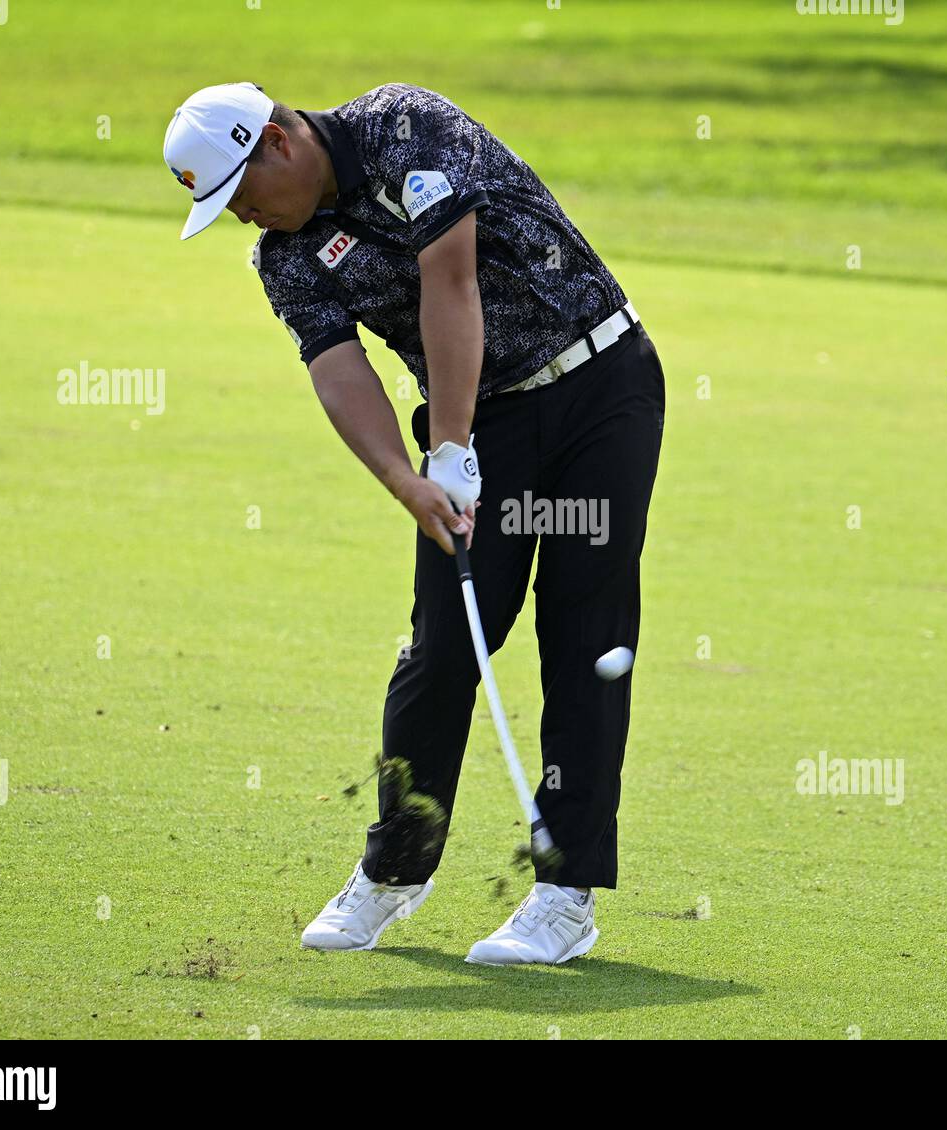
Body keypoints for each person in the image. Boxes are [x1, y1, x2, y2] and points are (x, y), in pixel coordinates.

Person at [162, 81, 665, 965]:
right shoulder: (285, 257)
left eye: (240, 194)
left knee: (585, 635)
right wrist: (408, 477)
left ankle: (564, 895)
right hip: (483, 421)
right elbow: (337, 368)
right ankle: (396, 871)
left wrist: (450, 440)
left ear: (277, 141)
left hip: (598, 387)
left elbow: (452, 279)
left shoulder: (406, 126)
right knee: (443, 646)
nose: (243, 217)